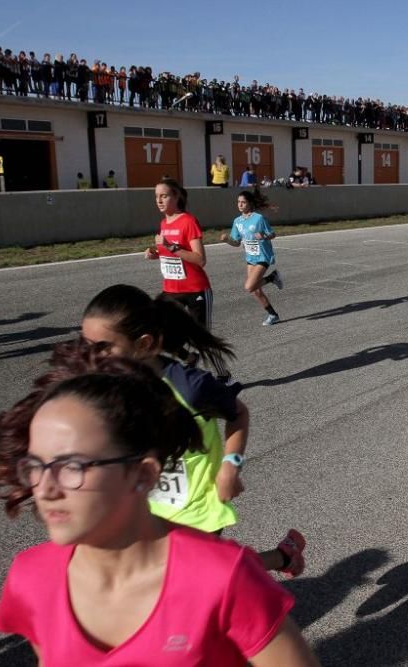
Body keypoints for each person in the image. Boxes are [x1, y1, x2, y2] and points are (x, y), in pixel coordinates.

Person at [0, 354, 319, 666]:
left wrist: (229, 465)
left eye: (72, 466)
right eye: (36, 466)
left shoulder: (223, 577)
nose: (45, 488)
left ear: (142, 474)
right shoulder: (31, 579)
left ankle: (284, 556)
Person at [75, 284, 305, 573]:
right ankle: (283, 556)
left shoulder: (189, 387)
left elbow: (239, 413)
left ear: (144, 345)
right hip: (142, 507)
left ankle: (281, 558)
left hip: (195, 505)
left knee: (198, 578)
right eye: (85, 345)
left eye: (103, 348)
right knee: (171, 577)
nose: (90, 357)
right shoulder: (104, 387)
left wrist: (230, 466)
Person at [144, 179, 214, 330]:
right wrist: (155, 253)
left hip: (195, 289)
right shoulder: (164, 223)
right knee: (161, 333)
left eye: (164, 196)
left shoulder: (189, 221)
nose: (159, 200)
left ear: (176, 197)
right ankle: (188, 356)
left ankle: (196, 354)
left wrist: (170, 246)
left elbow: (200, 259)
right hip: (171, 290)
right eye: (156, 196)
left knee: (202, 341)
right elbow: (170, 254)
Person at [220, 189, 284, 325]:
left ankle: (272, 277)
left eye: (243, 202)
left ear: (250, 203)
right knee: (255, 291)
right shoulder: (237, 221)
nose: (240, 205)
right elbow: (236, 243)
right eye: (238, 202)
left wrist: (264, 236)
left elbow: (272, 234)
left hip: (263, 256)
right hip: (250, 258)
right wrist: (227, 240)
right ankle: (273, 315)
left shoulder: (259, 218)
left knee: (249, 286)